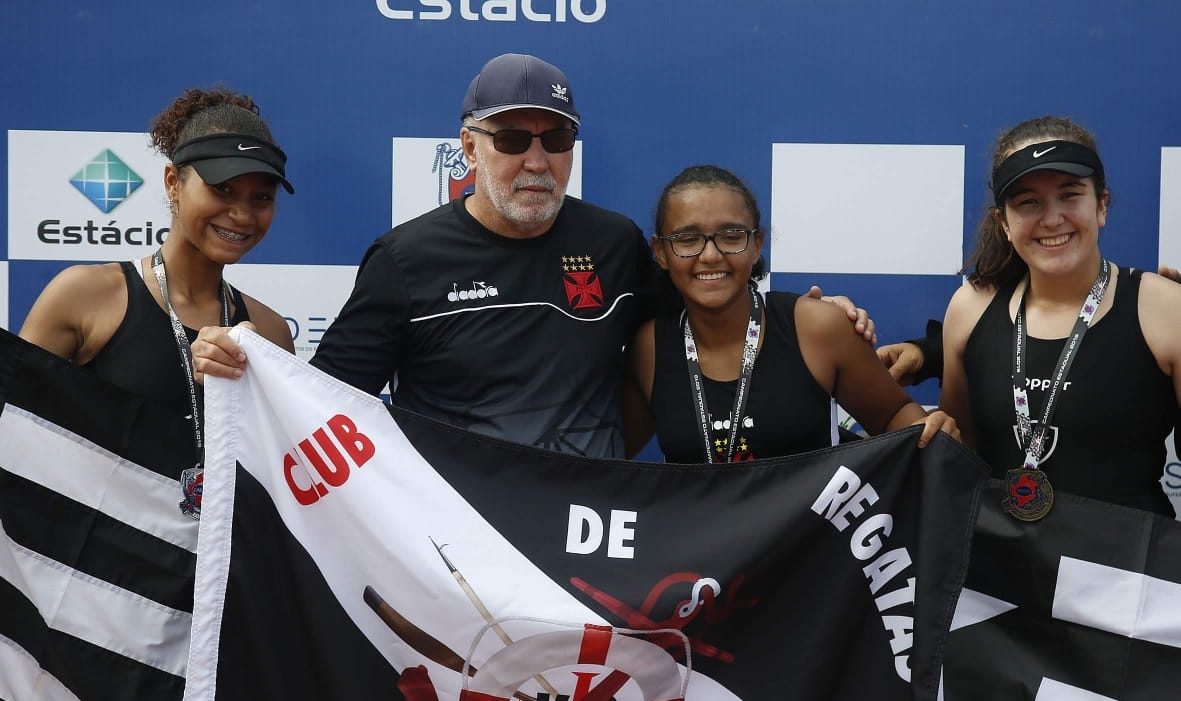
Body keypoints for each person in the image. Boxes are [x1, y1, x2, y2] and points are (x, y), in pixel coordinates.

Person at [192, 53, 876, 460]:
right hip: (453, 537)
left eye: (556, 140)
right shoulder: (406, 259)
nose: (537, 160)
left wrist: (810, 318)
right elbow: (324, 402)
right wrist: (245, 370)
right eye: (513, 139)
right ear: (468, 147)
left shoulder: (614, 243)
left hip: (589, 527)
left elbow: (711, 306)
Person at [18, 85, 296, 514]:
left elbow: (283, 478)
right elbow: (15, 433)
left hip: (220, 555)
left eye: (261, 197)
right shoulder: (84, 295)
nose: (243, 214)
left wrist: (250, 382)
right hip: (104, 552)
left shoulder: (270, 332)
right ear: (173, 183)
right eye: (222, 189)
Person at [627, 165, 959, 464]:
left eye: (731, 237)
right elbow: (610, 456)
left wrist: (931, 429)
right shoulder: (649, 348)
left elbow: (895, 417)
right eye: (687, 239)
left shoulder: (817, 326)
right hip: (699, 518)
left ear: (757, 245)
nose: (711, 255)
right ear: (661, 252)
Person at [940, 115, 1181, 517]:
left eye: (1070, 195)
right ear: (1003, 223)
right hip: (994, 554)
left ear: (1101, 205)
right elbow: (958, 452)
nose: (1052, 219)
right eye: (1028, 202)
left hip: (1127, 555)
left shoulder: (1165, 308)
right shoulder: (970, 308)